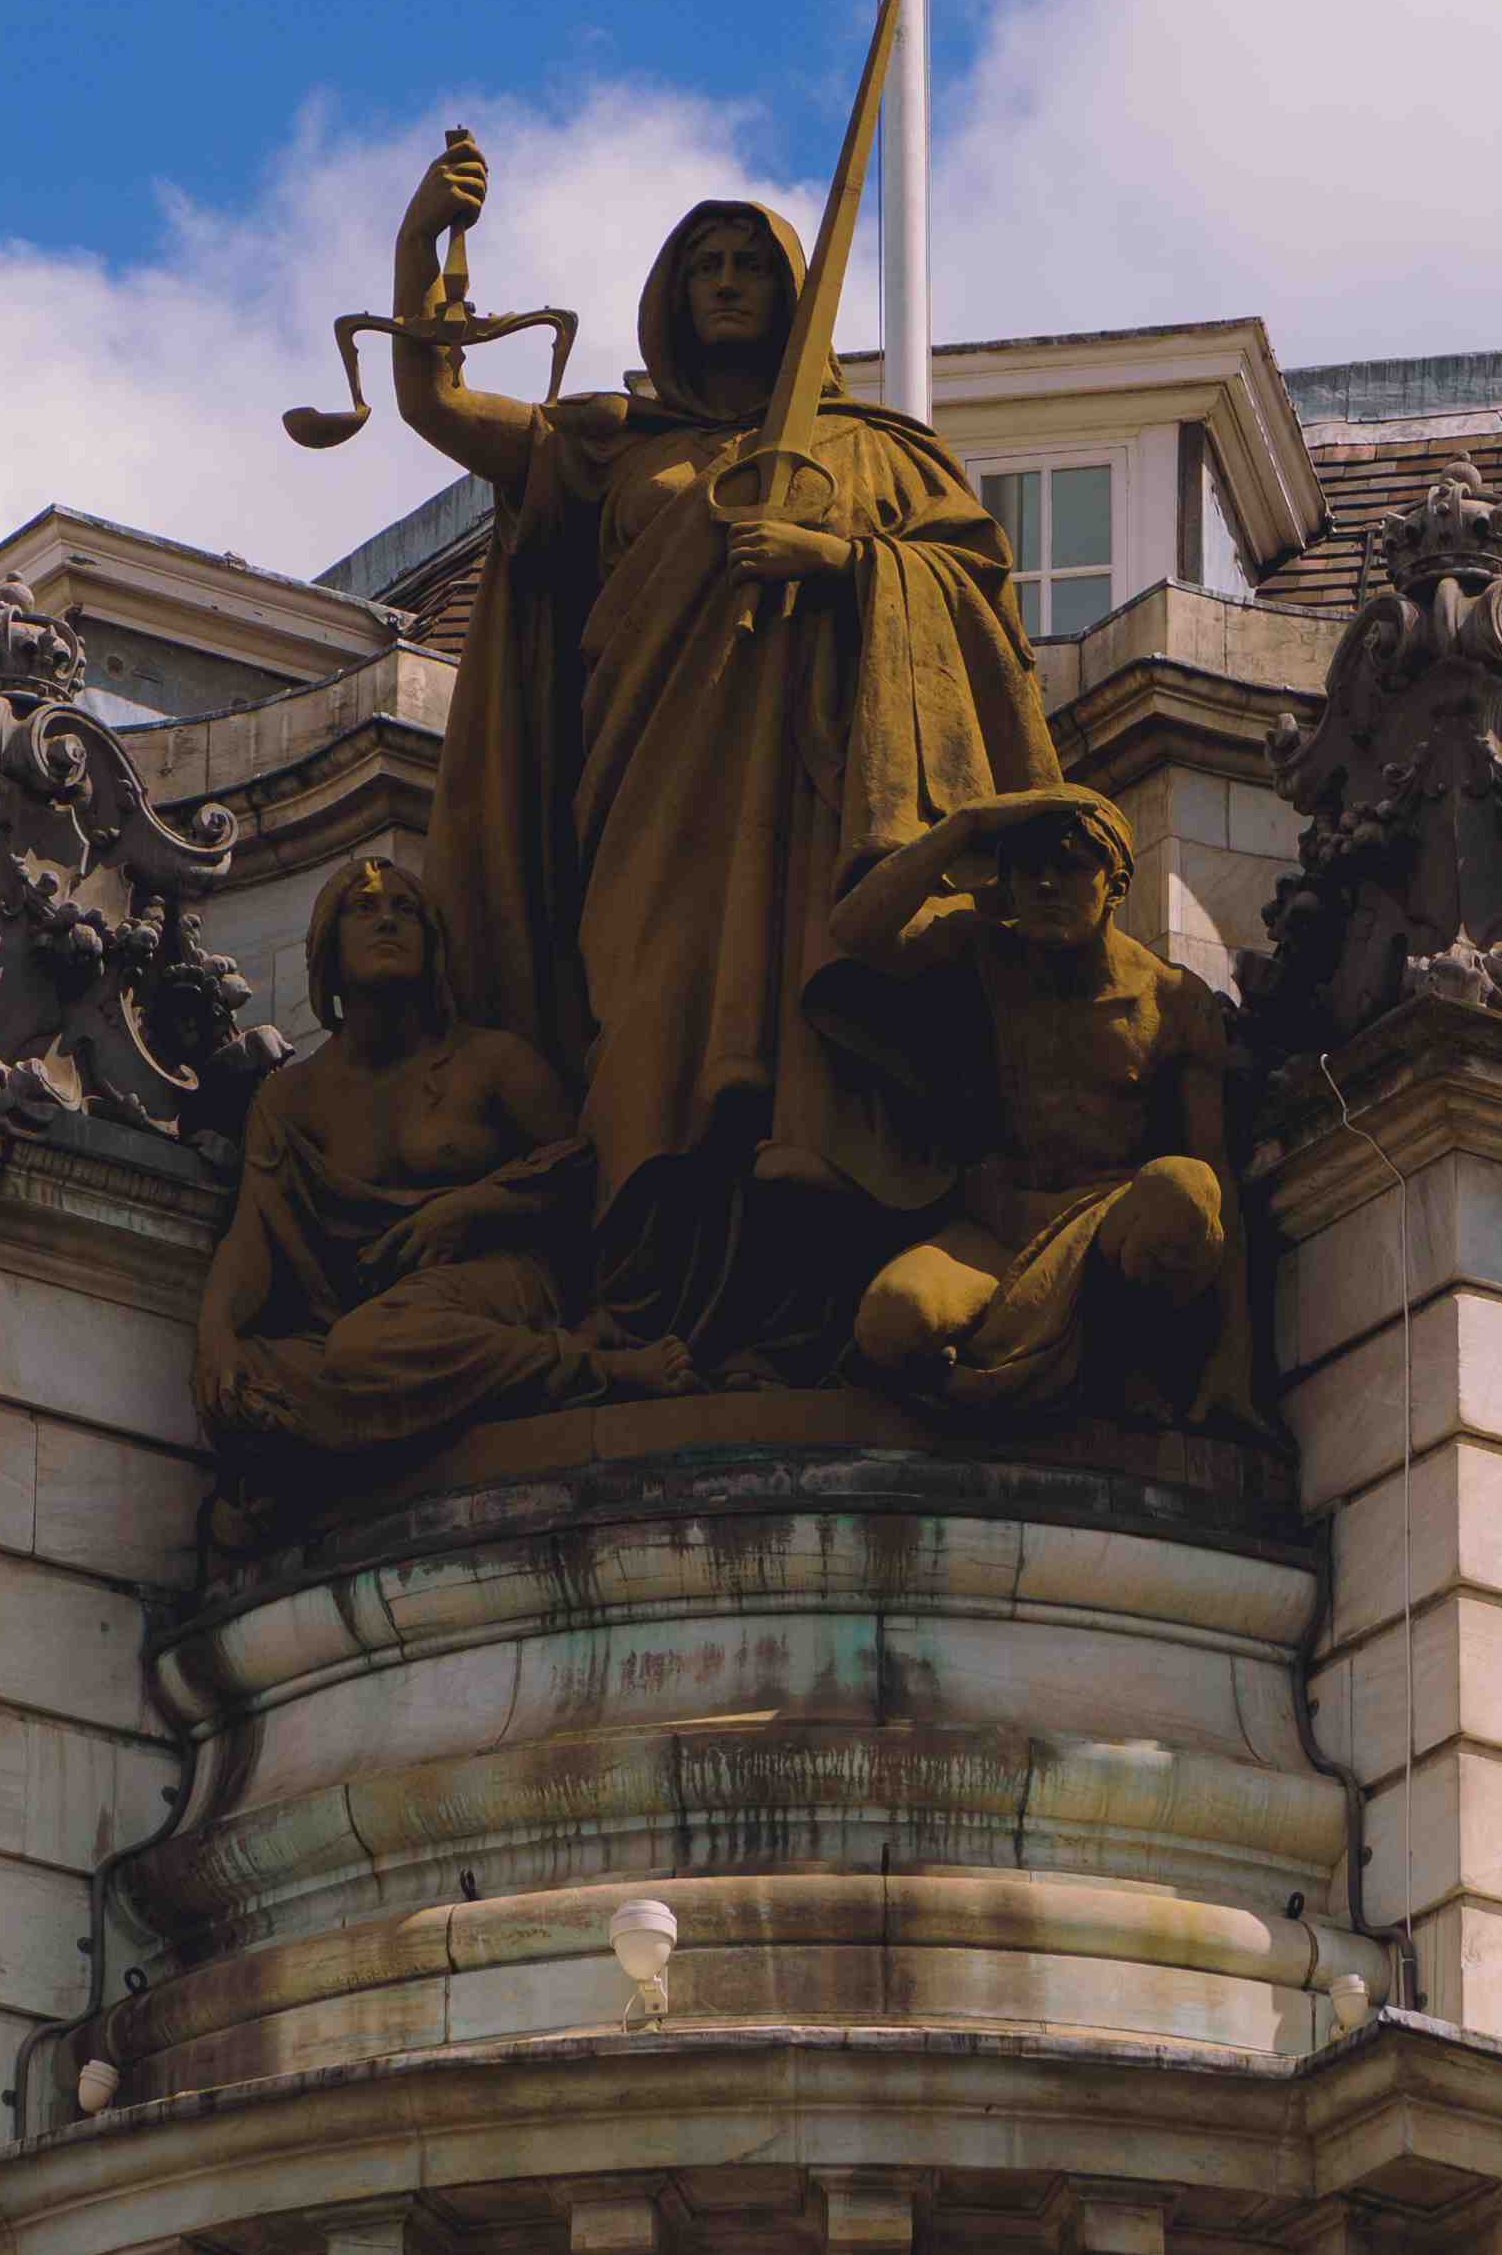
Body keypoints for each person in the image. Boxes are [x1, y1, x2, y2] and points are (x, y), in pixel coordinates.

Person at [390, 131, 1058, 1362]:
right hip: (650, 803)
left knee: (803, 1040)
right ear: (671, 295)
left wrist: (847, 561)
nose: (731, 281)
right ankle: (643, 1303)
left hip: (819, 801)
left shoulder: (878, 455)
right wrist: (419, 244)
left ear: (793, 287)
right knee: (647, 1027)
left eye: (752, 262)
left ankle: (804, 1304)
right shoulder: (612, 446)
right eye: (706, 264)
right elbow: (434, 405)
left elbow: (972, 596)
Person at [192, 853, 664, 1489]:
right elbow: (254, 1235)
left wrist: (471, 1208)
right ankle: (431, 1414)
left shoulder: (490, 1061)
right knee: (252, 1379)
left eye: (405, 909)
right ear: (328, 952)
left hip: (500, 1283)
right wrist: (216, 1333)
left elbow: (581, 1168)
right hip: (371, 1315)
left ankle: (590, 1367)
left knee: (364, 1351)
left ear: (433, 948)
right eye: (365, 908)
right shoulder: (289, 1099)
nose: (387, 920)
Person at [805, 782, 1257, 1432]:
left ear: (1118, 884)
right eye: (1028, 868)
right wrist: (966, 824)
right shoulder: (983, 952)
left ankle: (1123, 1372)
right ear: (1008, 885)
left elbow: (1223, 1190)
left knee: (1185, 1192)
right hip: (996, 1229)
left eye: (1071, 865)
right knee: (892, 1322)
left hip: (1105, 1223)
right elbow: (855, 929)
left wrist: (1229, 1367)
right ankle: (994, 1398)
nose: (1047, 885)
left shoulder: (1174, 1001)